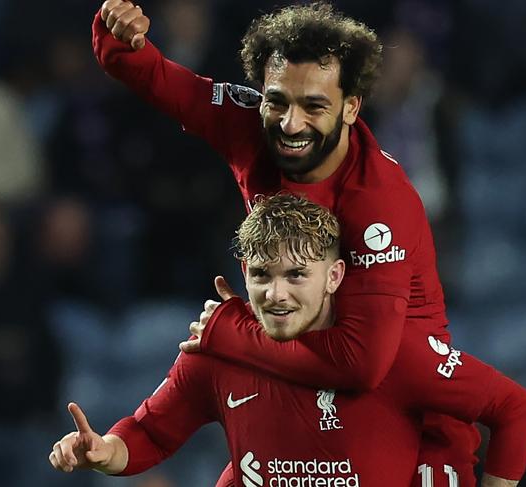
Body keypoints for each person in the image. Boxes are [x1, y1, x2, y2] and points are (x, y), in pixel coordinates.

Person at [93, 2, 500, 485]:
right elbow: (155, 76)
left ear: (351, 106)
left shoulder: (378, 202)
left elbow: (362, 363)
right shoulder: (249, 126)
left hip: (403, 407)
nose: (290, 124)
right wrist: (115, 33)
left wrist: (235, 331)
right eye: (277, 101)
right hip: (298, 365)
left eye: (314, 106)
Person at [49, 193, 526, 486]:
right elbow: (151, 432)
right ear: (243, 272)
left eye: (296, 275)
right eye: (261, 275)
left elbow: (516, 410)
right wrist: (106, 451)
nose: (276, 294)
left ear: (334, 276)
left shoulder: (389, 353)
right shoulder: (217, 352)